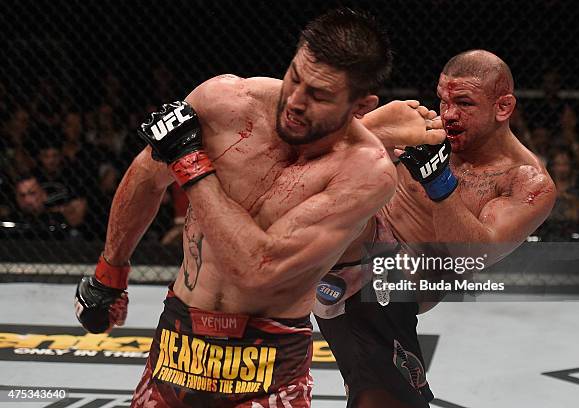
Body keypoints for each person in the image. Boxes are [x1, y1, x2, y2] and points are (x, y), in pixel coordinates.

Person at [73, 8, 441, 408]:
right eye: (295, 78)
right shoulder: (226, 101)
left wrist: (191, 162)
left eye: (319, 95)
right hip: (177, 344)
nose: (296, 101)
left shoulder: (366, 172)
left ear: (359, 105)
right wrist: (109, 274)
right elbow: (148, 175)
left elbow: (257, 270)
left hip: (268, 364)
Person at [314, 50, 557, 408]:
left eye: (464, 103)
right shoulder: (422, 133)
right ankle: (355, 133)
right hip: (354, 256)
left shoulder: (525, 183)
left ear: (502, 107)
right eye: (443, 100)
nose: (449, 115)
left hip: (387, 288)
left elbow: (470, 256)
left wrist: (439, 183)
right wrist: (378, 141)